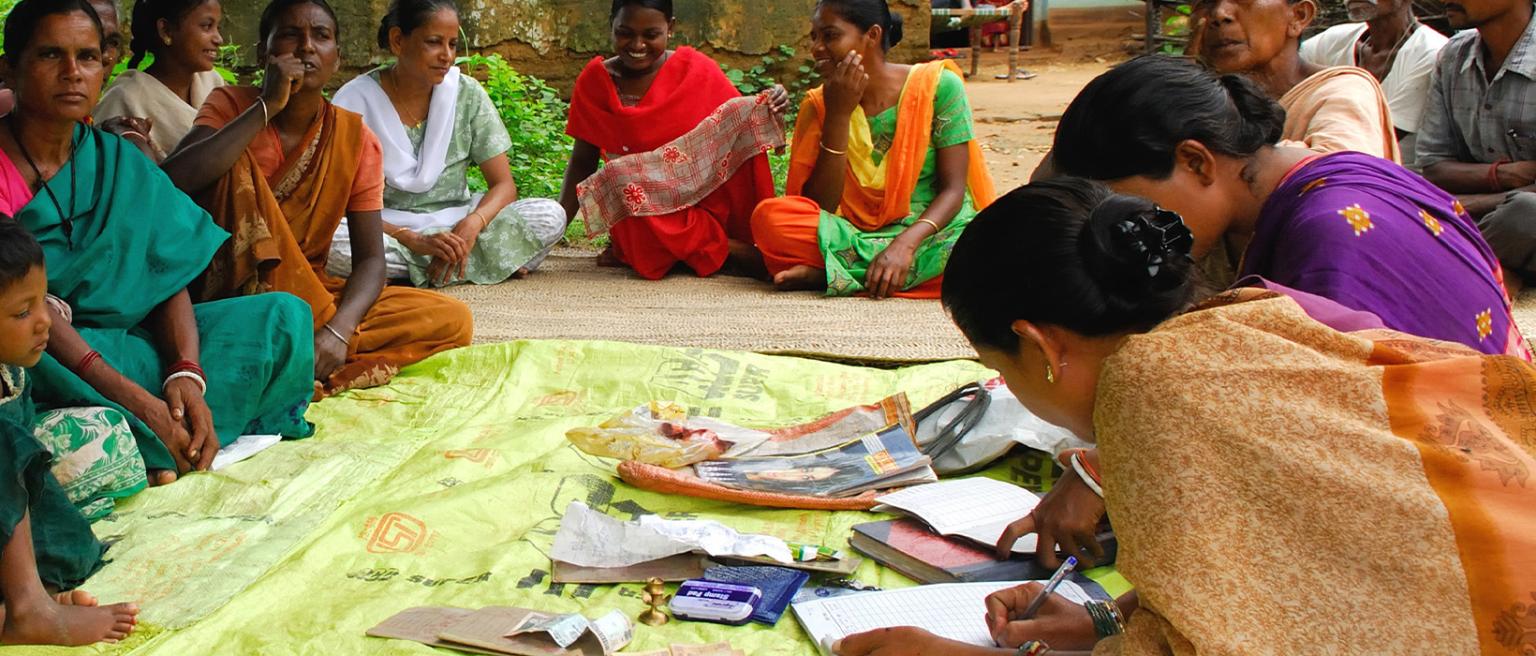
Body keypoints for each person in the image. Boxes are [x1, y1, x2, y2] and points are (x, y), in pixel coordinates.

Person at [834, 178, 1536, 656]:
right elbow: (1274, 568)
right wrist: (1105, 616)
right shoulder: (1245, 317)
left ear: (1042, 347)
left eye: (1003, 365)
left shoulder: (1143, 390)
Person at [1018, 55, 1529, 577]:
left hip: (1487, 512)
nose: (1136, 237)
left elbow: (1310, 432)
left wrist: (1102, 473)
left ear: (1196, 162)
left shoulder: (1329, 232)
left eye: (1133, 211)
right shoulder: (1317, 182)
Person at [1, 0, 316, 486]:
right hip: (55, 351)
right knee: (23, 354)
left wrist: (185, 373)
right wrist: (140, 399)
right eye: (49, 56)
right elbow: (25, 312)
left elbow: (163, 271)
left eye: (87, 57)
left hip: (137, 347)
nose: (72, 73)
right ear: (10, 67)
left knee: (283, 317)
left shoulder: (117, 160)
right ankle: (162, 436)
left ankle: (166, 437)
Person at [163, 0, 474, 396]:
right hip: (232, 291)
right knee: (234, 166)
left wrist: (339, 331)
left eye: (321, 37)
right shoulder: (231, 107)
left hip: (311, 293)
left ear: (337, 57)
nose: (307, 47)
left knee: (452, 318)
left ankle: (307, 348)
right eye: (291, 36)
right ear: (265, 52)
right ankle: (296, 348)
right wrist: (267, 106)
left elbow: (372, 260)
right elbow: (174, 181)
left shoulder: (354, 138)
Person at [751, 0, 996, 298]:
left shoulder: (937, 87)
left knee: (993, 247)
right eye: (814, 37)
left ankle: (834, 275)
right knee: (770, 219)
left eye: (830, 36)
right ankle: (872, 274)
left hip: (930, 232)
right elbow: (819, 206)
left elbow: (954, 190)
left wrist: (905, 245)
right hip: (850, 233)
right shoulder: (819, 104)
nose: (816, 48)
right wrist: (839, 116)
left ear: (873, 35)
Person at [329, 0, 565, 288]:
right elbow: (335, 204)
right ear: (398, 40)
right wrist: (410, 238)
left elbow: (504, 186)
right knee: (331, 241)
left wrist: (472, 225)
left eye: (453, 44)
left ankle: (414, 269)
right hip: (385, 229)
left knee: (550, 215)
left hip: (458, 223)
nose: (447, 56)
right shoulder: (353, 102)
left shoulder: (466, 94)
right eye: (434, 42)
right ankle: (487, 263)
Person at [558, 0, 783, 281]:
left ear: (671, 28)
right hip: (643, 211)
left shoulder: (696, 70)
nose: (637, 44)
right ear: (611, 26)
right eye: (625, 33)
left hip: (699, 202)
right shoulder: (595, 82)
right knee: (620, 179)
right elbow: (582, 162)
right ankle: (728, 250)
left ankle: (699, 247)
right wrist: (553, 229)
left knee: (743, 114)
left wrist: (772, 102)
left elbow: (739, 122)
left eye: (651, 35)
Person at [0, 220, 140, 647]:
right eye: (22, 313)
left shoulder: (10, 369)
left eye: (42, 302)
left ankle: (19, 608)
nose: (45, 322)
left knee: (68, 551)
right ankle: (29, 609)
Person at [1417, 0, 1536, 286]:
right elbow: (1433, 166)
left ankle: (1443, 272)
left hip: (1512, 218)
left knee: (1524, 214)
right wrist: (1503, 175)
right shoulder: (1453, 56)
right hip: (1480, 218)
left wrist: (1466, 204)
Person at [1191, 0, 1399, 161]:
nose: (1219, 14)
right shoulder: (1211, 99)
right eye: (1207, 1)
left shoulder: (1343, 92)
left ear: (1299, 16)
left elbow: (1341, 177)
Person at [1298, 0, 1447, 164]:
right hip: (1327, 164)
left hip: (1388, 177)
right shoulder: (1333, 40)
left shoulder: (1431, 52)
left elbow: (1373, 142)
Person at [92, 0, 227, 161]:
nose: (219, 39)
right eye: (206, 26)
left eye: (217, 27)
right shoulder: (124, 98)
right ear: (166, 30)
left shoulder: (213, 83)